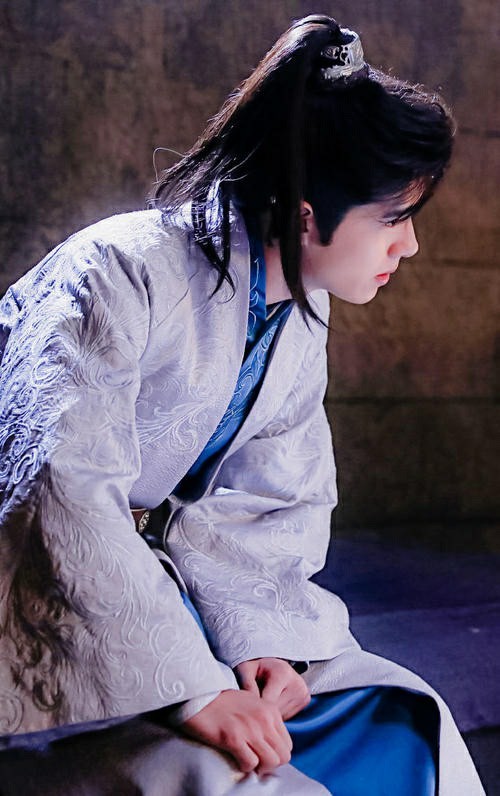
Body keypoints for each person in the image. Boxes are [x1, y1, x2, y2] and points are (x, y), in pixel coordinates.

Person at [0, 13, 485, 796]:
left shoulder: (299, 310)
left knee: (402, 719)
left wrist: (264, 642)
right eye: (394, 218)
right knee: (233, 772)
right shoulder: (115, 273)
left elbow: (270, 501)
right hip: (60, 607)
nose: (410, 246)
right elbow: (60, 491)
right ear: (306, 213)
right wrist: (194, 690)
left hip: (171, 599)